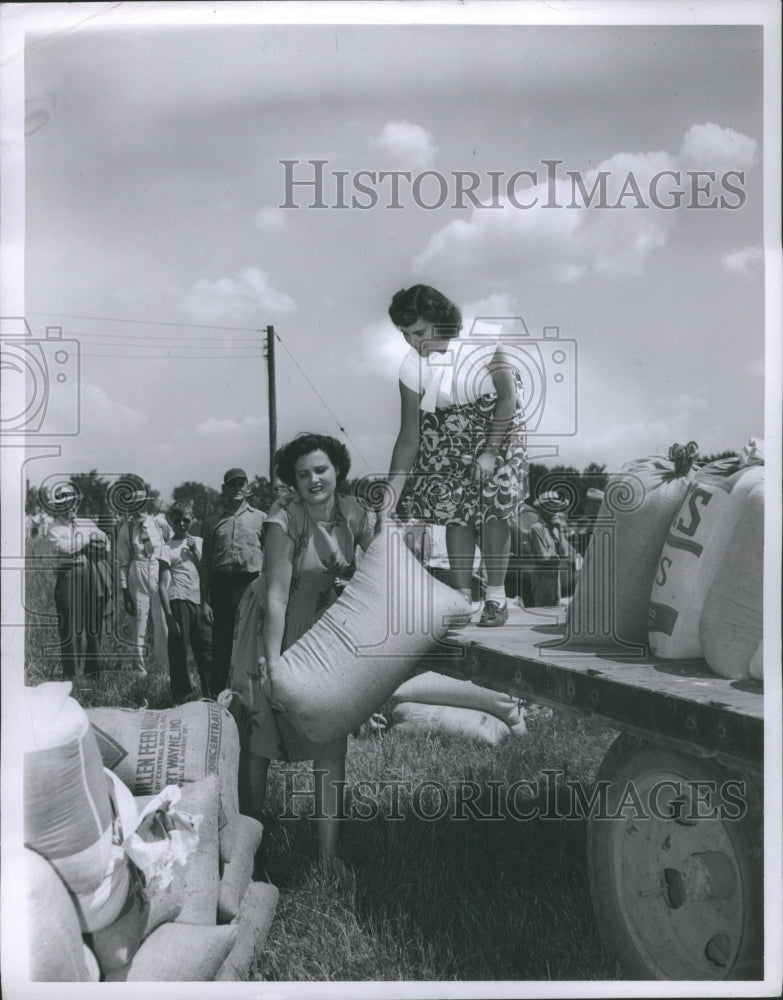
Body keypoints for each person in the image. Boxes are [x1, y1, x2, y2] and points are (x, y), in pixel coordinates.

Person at [227, 433, 377, 862]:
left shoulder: (355, 513)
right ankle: (248, 850)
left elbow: (385, 559)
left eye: (321, 470)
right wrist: (272, 665)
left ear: (338, 471)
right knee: (260, 737)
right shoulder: (283, 518)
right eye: (303, 474)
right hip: (268, 627)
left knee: (329, 740)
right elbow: (275, 597)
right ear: (292, 481)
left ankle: (328, 860)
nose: (313, 480)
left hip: (322, 632)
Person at [386, 284, 528, 626]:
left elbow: (507, 398)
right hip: (448, 426)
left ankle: (496, 597)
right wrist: (389, 498)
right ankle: (461, 599)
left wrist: (490, 453)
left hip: (499, 420)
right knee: (454, 510)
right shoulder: (411, 367)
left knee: (494, 507)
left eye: (419, 331)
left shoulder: (481, 343)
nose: (412, 342)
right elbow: (409, 437)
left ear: (440, 319)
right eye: (405, 335)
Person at [200, 468, 266, 696]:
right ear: (224, 490)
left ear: (248, 489)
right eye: (232, 485)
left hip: (250, 585)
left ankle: (250, 696)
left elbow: (269, 559)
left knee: (250, 643)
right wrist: (204, 601)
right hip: (221, 586)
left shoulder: (261, 519)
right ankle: (215, 697)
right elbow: (206, 563)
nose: (237, 488)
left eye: (241, 484)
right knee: (221, 644)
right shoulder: (212, 522)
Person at [46, 482, 111, 678]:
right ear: (58, 506)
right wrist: (88, 539)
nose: (70, 507)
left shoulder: (85, 523)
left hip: (88, 575)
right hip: (68, 577)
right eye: (64, 503)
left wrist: (89, 540)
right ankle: (71, 676)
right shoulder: (54, 528)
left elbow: (106, 542)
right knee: (70, 629)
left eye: (72, 502)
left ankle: (93, 672)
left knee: (93, 626)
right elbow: (66, 548)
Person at [158, 500, 213, 703]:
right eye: (178, 520)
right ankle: (183, 698)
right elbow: (162, 585)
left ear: (192, 520)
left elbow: (207, 572)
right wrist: (170, 619)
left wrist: (197, 554)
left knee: (207, 650)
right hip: (178, 600)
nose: (182, 524)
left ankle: (211, 695)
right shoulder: (166, 548)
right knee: (179, 649)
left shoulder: (198, 542)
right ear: (171, 521)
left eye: (186, 520)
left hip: (199, 601)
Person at [116, 481, 171, 678]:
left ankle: (164, 669)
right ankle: (139, 670)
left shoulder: (158, 523)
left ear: (146, 505)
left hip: (156, 569)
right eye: (133, 505)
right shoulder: (126, 529)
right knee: (139, 622)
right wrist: (125, 592)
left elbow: (169, 541)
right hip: (136, 571)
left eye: (141, 504)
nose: (137, 509)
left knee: (162, 621)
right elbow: (122, 561)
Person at [528, 491, 573, 607]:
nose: (555, 510)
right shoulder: (537, 528)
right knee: (544, 611)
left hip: (555, 577)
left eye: (556, 507)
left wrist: (561, 530)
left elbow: (564, 552)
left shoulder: (555, 529)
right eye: (551, 506)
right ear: (543, 508)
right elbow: (544, 557)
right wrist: (556, 558)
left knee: (555, 610)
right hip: (542, 577)